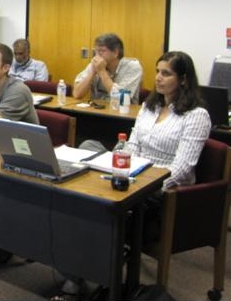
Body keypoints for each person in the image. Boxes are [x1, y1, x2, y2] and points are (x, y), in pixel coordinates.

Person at [52, 51, 211, 301]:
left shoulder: (196, 116)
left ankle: (77, 279)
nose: (158, 78)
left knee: (93, 212)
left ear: (183, 79)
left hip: (159, 190)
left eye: (166, 73)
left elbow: (182, 169)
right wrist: (117, 162)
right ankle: (82, 269)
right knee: (89, 150)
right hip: (132, 175)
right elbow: (133, 145)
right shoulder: (151, 107)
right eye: (157, 71)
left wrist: (141, 184)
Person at [72, 32, 143, 104]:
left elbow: (122, 100)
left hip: (122, 113)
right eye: (96, 51)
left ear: (115, 53)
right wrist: (92, 73)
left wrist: (102, 72)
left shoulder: (133, 67)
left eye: (101, 51)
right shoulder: (95, 65)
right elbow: (77, 94)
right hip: (97, 111)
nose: (97, 55)